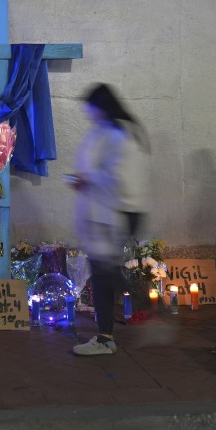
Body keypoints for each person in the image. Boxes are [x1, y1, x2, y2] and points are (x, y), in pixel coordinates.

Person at [69, 83, 150, 355]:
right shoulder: (107, 133)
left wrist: (87, 179)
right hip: (102, 216)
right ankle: (107, 334)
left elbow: (122, 180)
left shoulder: (120, 135)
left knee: (105, 274)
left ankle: (116, 330)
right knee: (104, 273)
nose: (88, 115)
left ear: (101, 106)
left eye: (90, 109)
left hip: (112, 216)